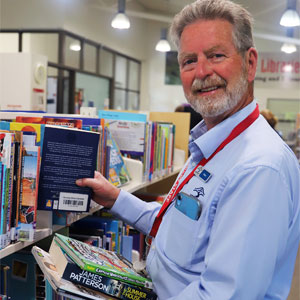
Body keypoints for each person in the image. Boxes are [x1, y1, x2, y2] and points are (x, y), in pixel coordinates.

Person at [76, 0, 300, 299]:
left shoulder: (257, 167)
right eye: (188, 61)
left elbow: (223, 295)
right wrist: (115, 198)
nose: (202, 72)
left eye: (216, 55)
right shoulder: (214, 143)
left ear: (250, 63)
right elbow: (179, 225)